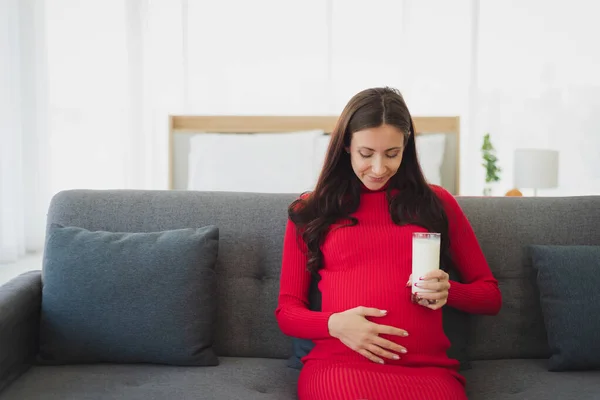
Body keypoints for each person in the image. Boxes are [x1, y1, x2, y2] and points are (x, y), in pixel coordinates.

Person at [274, 87, 502, 400]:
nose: (379, 168)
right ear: (346, 146)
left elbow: (490, 296)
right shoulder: (311, 210)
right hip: (340, 367)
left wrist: (451, 291)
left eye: (392, 154)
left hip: (427, 371)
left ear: (406, 149)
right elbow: (287, 312)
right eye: (366, 154)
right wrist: (334, 324)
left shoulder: (436, 203)